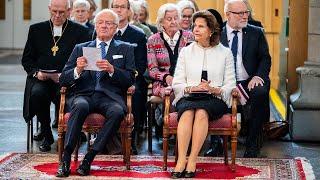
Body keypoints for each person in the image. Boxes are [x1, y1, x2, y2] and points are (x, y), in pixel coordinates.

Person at [56, 9, 135, 177]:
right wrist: (77, 69)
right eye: (100, 22)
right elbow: (63, 79)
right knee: (80, 106)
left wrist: (113, 70)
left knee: (117, 111)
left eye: (108, 23)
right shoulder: (81, 48)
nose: (104, 26)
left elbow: (130, 79)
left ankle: (89, 158)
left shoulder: (126, 48)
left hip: (110, 97)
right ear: (95, 26)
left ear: (115, 28)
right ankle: (66, 157)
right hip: (84, 95)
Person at [171, 10, 236, 178]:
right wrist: (192, 88)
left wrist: (214, 89)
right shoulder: (186, 51)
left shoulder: (225, 53)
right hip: (190, 96)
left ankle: (192, 160)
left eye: (201, 26)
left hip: (214, 98)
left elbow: (230, 84)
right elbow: (177, 82)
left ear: (211, 30)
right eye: (195, 26)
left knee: (201, 112)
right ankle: (180, 161)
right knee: (186, 112)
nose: (195, 30)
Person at [21, 0, 90, 152]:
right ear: (49, 9)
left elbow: (85, 59)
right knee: (37, 93)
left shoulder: (80, 31)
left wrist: (69, 74)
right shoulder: (36, 29)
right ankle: (46, 134)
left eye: (62, 12)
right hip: (42, 78)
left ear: (69, 10)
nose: (57, 15)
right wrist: (36, 73)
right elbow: (26, 59)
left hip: (67, 79)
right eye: (54, 11)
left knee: (63, 96)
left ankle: (66, 134)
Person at [221, 0, 271, 158]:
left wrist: (258, 76)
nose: (245, 16)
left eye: (246, 12)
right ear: (228, 14)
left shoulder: (256, 32)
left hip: (249, 79)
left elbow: (265, 59)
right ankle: (217, 142)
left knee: (260, 92)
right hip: (225, 81)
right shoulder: (217, 33)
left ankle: (253, 143)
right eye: (240, 13)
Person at [147, 3, 193, 139]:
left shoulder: (189, 37)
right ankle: (177, 134)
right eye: (169, 19)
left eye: (176, 18)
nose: (173, 21)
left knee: (187, 93)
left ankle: (185, 134)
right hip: (162, 84)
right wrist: (166, 77)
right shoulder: (153, 40)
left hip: (186, 81)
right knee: (172, 93)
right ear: (161, 21)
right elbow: (152, 69)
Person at [111, 0, 148, 155]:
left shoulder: (138, 35)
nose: (119, 10)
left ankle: (131, 139)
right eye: (116, 7)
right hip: (108, 79)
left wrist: (127, 79)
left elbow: (140, 65)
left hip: (132, 79)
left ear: (129, 11)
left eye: (122, 7)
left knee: (137, 93)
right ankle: (108, 140)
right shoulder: (104, 31)